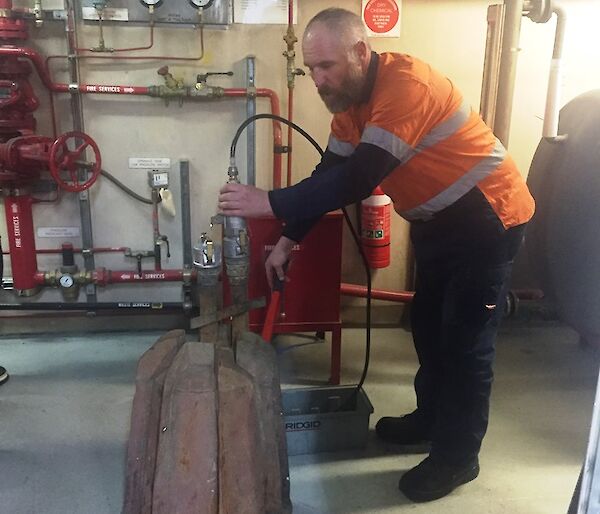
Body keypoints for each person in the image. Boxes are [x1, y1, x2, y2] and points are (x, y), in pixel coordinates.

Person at [218, 7, 534, 503]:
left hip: (489, 219)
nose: (319, 80)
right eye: (311, 69)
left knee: (466, 344)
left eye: (328, 66)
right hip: (438, 223)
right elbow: (331, 172)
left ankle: (458, 456)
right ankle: (431, 420)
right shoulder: (349, 102)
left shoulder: (407, 87)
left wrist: (270, 203)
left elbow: (360, 177)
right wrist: (288, 238)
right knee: (429, 328)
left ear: (360, 52)